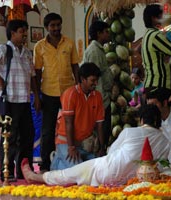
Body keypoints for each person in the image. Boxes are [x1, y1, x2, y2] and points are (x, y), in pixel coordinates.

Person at [21, 104, 170, 186]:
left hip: (108, 171)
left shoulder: (131, 132)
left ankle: (35, 176)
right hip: (137, 181)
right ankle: (37, 177)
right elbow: (161, 167)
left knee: (69, 174)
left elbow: (112, 151)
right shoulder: (165, 141)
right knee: (75, 174)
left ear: (142, 120)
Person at [0, 19, 41, 181]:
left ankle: (24, 170)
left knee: (28, 135)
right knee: (9, 136)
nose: (25, 35)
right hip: (9, 100)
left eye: (25, 31)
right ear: (12, 33)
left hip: (25, 101)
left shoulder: (28, 53)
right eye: (22, 31)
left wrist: (36, 95)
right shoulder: (4, 50)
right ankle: (7, 171)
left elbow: (33, 76)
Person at [33, 12, 80, 172]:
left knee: (72, 125)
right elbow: (37, 73)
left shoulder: (69, 43)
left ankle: (74, 160)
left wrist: (79, 87)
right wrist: (37, 96)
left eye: (58, 25)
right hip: (48, 92)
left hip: (69, 91)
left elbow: (75, 66)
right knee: (47, 129)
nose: (56, 28)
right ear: (46, 28)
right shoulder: (39, 47)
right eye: (52, 25)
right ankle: (46, 164)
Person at [51, 62, 105, 170]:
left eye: (97, 80)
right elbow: (68, 122)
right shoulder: (70, 94)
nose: (96, 83)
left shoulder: (98, 96)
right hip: (66, 142)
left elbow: (100, 125)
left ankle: (60, 160)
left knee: (98, 168)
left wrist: (102, 148)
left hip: (84, 145)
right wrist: (71, 147)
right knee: (79, 171)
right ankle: (57, 162)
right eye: (93, 81)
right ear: (83, 79)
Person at [82, 21, 114, 150]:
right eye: (106, 32)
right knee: (101, 133)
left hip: (102, 98)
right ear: (99, 34)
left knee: (104, 132)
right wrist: (100, 100)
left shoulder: (98, 50)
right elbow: (95, 80)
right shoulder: (95, 51)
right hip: (100, 100)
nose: (108, 34)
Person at [141, 4, 171, 95]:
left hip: (157, 85)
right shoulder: (155, 36)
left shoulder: (148, 34)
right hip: (160, 85)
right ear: (154, 18)